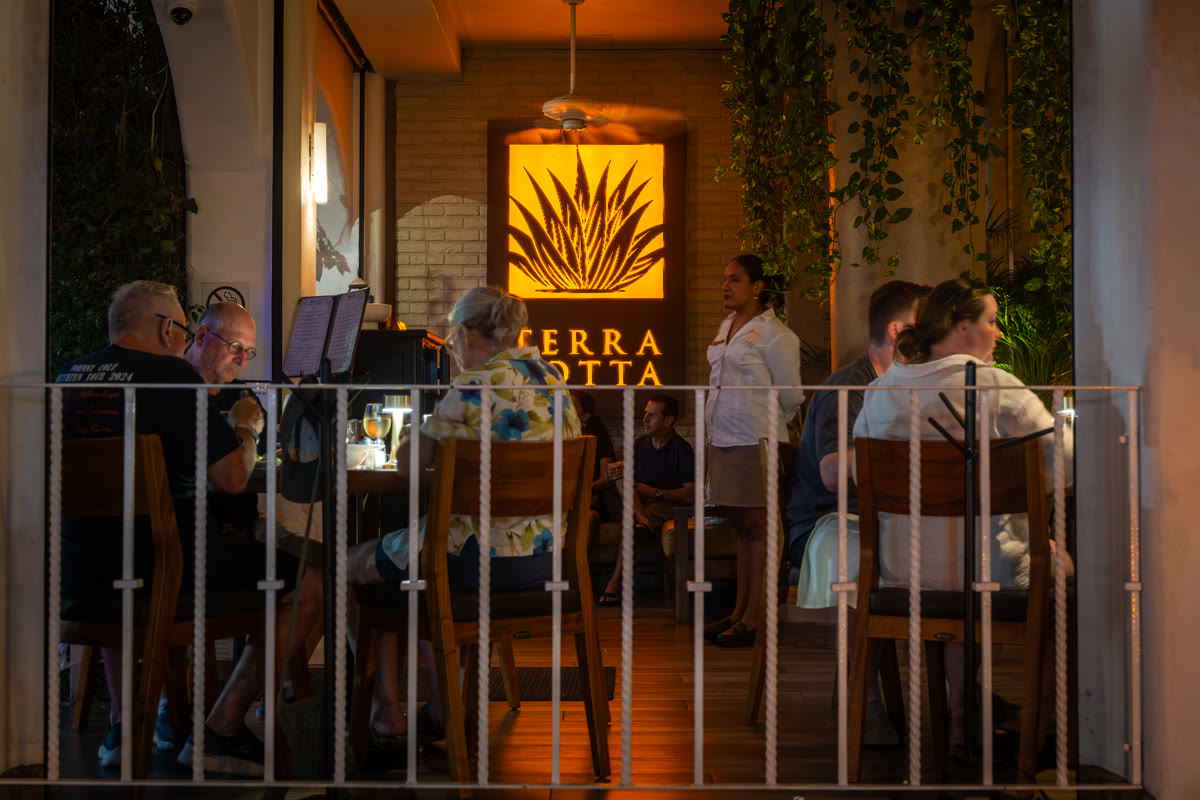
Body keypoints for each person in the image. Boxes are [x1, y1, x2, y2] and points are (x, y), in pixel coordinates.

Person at [56, 281, 321, 777]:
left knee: (127, 552)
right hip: (164, 569)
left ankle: (124, 726)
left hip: (79, 572)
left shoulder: (70, 372)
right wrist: (246, 427)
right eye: (180, 327)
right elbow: (233, 478)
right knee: (308, 582)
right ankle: (219, 728)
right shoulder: (172, 376)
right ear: (167, 328)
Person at [346, 286, 581, 741]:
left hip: (479, 563)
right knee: (414, 567)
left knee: (353, 567)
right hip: (546, 561)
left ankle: (387, 711)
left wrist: (415, 432)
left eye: (453, 341)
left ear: (470, 334)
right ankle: (442, 705)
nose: (453, 352)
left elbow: (411, 466)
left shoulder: (475, 386)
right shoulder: (554, 378)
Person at [851, 277, 1074, 743]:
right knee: (1067, 571)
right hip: (989, 570)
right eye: (991, 323)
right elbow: (1065, 463)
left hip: (900, 572)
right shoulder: (994, 386)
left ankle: (959, 712)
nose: (998, 334)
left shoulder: (882, 390)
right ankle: (1055, 734)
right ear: (961, 326)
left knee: (957, 565)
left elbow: (859, 474)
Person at [785, 279, 928, 747]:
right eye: (925, 329)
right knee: (856, 554)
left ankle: (963, 698)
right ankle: (863, 701)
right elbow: (829, 474)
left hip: (886, 516)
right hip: (825, 520)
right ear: (898, 330)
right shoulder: (846, 390)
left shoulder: (913, 389)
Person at [703, 254, 803, 648]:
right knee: (742, 529)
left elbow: (791, 396)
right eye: (724, 279)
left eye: (735, 280)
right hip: (723, 436)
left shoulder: (777, 335)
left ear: (758, 287)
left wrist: (769, 427)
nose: (726, 286)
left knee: (760, 528)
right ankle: (739, 609)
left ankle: (757, 617)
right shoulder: (727, 325)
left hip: (756, 438)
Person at [599, 394, 696, 606]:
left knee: (628, 524)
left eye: (651, 415)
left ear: (668, 420)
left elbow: (690, 494)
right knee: (621, 473)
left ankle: (613, 584)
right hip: (639, 505)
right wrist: (610, 472)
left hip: (666, 507)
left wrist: (653, 492)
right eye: (645, 414)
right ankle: (641, 519)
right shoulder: (639, 444)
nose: (644, 419)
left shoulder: (682, 450)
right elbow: (620, 479)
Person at [184, 301, 264, 537]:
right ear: (201, 336)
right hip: (199, 536)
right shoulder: (176, 390)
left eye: (248, 351)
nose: (243, 359)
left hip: (245, 527)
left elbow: (270, 452)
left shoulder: (242, 395)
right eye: (235, 346)